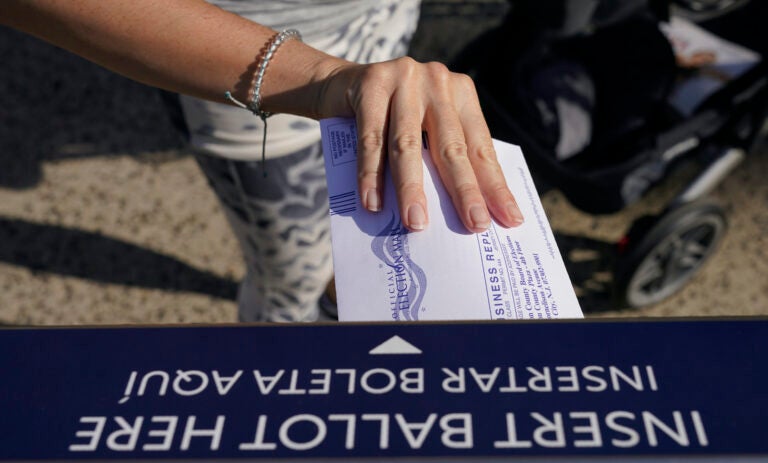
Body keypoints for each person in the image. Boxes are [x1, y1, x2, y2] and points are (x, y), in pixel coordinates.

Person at [3, 0, 524, 322]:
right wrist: (318, 77)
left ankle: (337, 301)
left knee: (364, 246)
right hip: (238, 59)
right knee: (290, 281)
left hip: (384, 24)